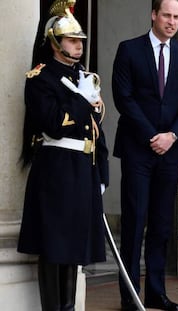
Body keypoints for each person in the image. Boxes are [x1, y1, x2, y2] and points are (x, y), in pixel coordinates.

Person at [17, 1, 109, 310]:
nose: (78, 45)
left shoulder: (83, 76)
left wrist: (102, 173)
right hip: (56, 171)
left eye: (80, 40)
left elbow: (95, 130)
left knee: (75, 249)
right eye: (71, 40)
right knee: (54, 247)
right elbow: (56, 125)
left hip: (83, 168)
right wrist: (82, 99)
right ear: (55, 43)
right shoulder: (40, 79)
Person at [111, 0, 178, 310]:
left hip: (170, 152)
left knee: (162, 225)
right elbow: (124, 98)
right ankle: (130, 296)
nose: (172, 22)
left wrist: (171, 136)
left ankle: (156, 293)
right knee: (134, 223)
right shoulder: (129, 49)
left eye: (177, 17)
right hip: (138, 149)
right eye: (167, 15)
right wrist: (153, 136)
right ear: (153, 15)